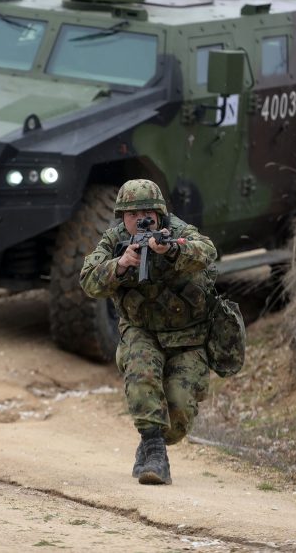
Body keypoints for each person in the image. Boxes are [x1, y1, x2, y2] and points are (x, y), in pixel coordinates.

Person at [79, 179, 219, 485]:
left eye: (147, 213)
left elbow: (207, 251)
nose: (141, 219)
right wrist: (120, 264)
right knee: (142, 373)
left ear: (159, 214)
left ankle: (152, 441)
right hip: (141, 329)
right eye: (133, 214)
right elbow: (88, 279)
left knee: (179, 414)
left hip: (188, 336)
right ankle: (155, 453)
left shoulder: (178, 232)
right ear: (123, 217)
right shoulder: (115, 239)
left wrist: (171, 251)